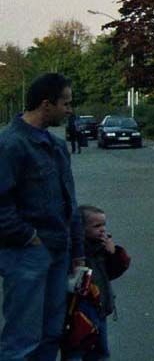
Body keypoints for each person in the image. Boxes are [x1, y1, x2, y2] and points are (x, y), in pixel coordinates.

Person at [0, 73, 85, 361]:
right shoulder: (10, 144)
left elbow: (69, 202)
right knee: (22, 340)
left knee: (52, 333)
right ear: (46, 105)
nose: (70, 110)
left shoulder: (58, 146)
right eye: (66, 103)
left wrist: (78, 251)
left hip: (60, 253)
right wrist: (28, 237)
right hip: (26, 255)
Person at [66, 205, 130, 361]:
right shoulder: (76, 251)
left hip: (100, 308)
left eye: (103, 225)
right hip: (79, 312)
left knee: (100, 352)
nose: (102, 230)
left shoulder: (102, 248)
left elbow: (113, 272)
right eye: (96, 226)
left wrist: (114, 253)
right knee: (76, 350)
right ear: (80, 228)